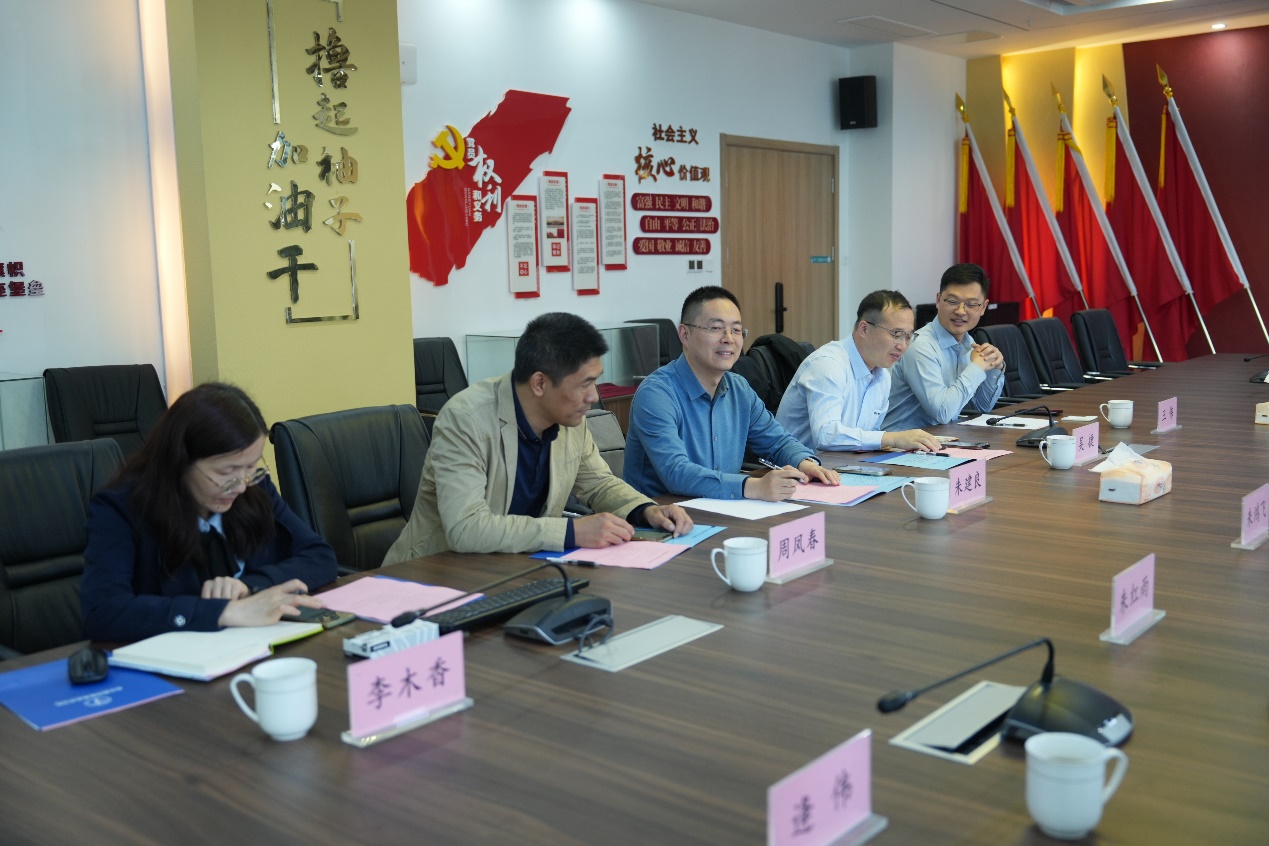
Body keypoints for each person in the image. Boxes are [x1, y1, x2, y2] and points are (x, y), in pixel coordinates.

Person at [383, 313, 692, 564]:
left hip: (519, 565)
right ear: (540, 383)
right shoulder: (466, 419)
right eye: (584, 384)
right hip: (435, 574)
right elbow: (466, 529)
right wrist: (571, 532)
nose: (593, 396)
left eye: (595, 382)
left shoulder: (569, 418)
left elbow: (598, 483)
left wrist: (645, 510)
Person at [81, 383, 338, 643]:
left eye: (251, 466)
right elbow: (103, 612)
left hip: (253, 645)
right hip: (174, 654)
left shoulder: (254, 487)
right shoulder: (120, 508)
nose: (240, 486)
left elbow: (320, 556)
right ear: (180, 461)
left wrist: (249, 587)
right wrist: (225, 612)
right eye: (226, 472)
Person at [623, 286, 838, 502]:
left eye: (736, 330)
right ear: (685, 335)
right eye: (716, 328)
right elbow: (676, 472)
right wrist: (752, 486)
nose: (728, 339)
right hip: (662, 514)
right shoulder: (656, 394)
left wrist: (805, 463)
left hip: (722, 509)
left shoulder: (739, 388)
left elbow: (778, 442)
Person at [776, 290, 942, 453]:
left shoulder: (882, 376)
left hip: (843, 464)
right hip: (794, 466)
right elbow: (825, 435)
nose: (902, 346)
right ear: (864, 329)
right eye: (896, 334)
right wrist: (892, 438)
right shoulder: (828, 365)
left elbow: (867, 439)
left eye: (908, 337)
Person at [883, 263, 1005, 430]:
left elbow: (982, 407)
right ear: (938, 300)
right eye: (953, 301)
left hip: (943, 439)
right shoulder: (920, 347)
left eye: (971, 304)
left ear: (983, 307)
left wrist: (994, 368)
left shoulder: (969, 344)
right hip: (901, 443)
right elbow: (942, 413)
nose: (961, 311)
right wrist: (976, 367)